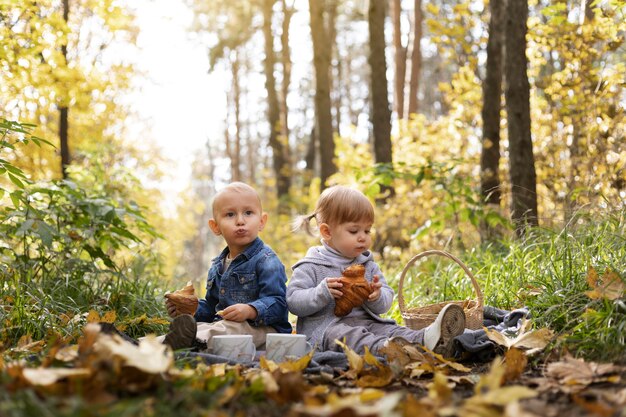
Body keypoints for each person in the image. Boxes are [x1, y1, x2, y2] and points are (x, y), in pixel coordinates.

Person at [286, 185, 466, 357]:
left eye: (367, 230)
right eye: (354, 230)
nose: (363, 237)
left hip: (369, 323)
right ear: (326, 232)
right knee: (347, 337)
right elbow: (293, 301)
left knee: (392, 330)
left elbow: (386, 302)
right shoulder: (311, 265)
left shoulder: (367, 265)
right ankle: (387, 349)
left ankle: (425, 340)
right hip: (327, 329)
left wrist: (377, 296)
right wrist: (321, 293)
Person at [164, 181, 292, 352]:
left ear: (261, 221)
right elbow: (212, 308)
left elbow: (279, 303)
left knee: (225, 330)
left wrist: (250, 310)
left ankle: (182, 345)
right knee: (201, 326)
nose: (240, 221)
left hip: (266, 330)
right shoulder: (218, 265)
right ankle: (146, 344)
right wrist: (191, 310)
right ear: (215, 226)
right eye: (230, 214)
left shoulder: (266, 260)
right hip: (227, 327)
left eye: (248, 213)